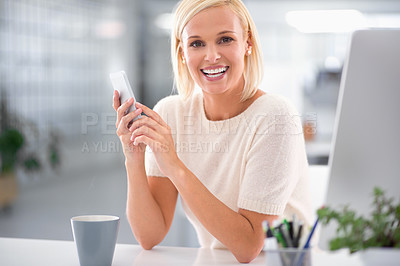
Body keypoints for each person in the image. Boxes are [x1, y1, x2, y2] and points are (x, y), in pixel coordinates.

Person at [112, 0, 312, 263]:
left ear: (247, 43)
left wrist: (174, 164)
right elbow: (150, 235)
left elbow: (248, 247)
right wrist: (133, 157)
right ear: (181, 51)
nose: (212, 56)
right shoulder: (171, 113)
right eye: (196, 43)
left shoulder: (276, 117)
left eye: (225, 39)